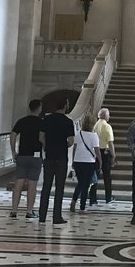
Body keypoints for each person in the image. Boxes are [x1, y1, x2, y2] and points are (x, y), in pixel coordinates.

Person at [38, 96, 75, 224]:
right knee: (59, 188)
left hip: (49, 156)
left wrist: (47, 146)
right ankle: (56, 216)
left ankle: (42, 215)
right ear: (65, 105)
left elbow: (41, 137)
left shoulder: (47, 119)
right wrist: (63, 145)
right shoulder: (68, 122)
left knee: (46, 186)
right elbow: (71, 141)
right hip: (61, 158)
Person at [9, 99, 43, 219]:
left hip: (22, 155)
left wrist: (13, 151)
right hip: (36, 156)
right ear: (39, 108)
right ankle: (29, 211)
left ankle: (14, 210)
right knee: (32, 184)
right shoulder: (41, 122)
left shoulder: (22, 121)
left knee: (19, 183)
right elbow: (42, 138)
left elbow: (13, 135)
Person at [69, 114, 102, 212]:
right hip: (89, 162)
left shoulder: (78, 134)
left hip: (78, 161)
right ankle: (82, 207)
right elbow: (97, 150)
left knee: (80, 183)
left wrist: (73, 160)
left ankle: (74, 201)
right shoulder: (94, 135)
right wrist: (100, 161)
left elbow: (75, 148)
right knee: (86, 185)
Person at [90, 107, 116, 204]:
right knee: (107, 176)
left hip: (95, 152)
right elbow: (110, 143)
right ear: (105, 116)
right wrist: (113, 155)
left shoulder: (94, 126)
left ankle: (92, 198)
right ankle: (108, 197)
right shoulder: (107, 126)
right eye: (108, 114)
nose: (109, 116)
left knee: (94, 176)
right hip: (105, 152)